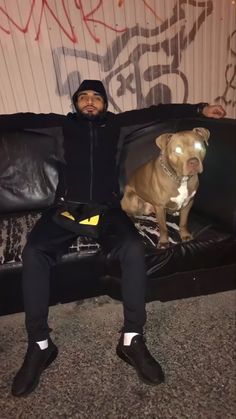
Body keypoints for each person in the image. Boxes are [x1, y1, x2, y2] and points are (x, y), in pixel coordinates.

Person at [0, 80, 226, 396]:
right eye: (84, 97)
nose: (90, 101)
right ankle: (40, 344)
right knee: (34, 252)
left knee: (133, 249)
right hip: (66, 210)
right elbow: (21, 119)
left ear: (106, 103)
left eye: (97, 97)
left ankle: (131, 339)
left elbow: (156, 110)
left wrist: (199, 109)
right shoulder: (61, 125)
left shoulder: (117, 125)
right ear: (75, 104)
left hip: (107, 210)